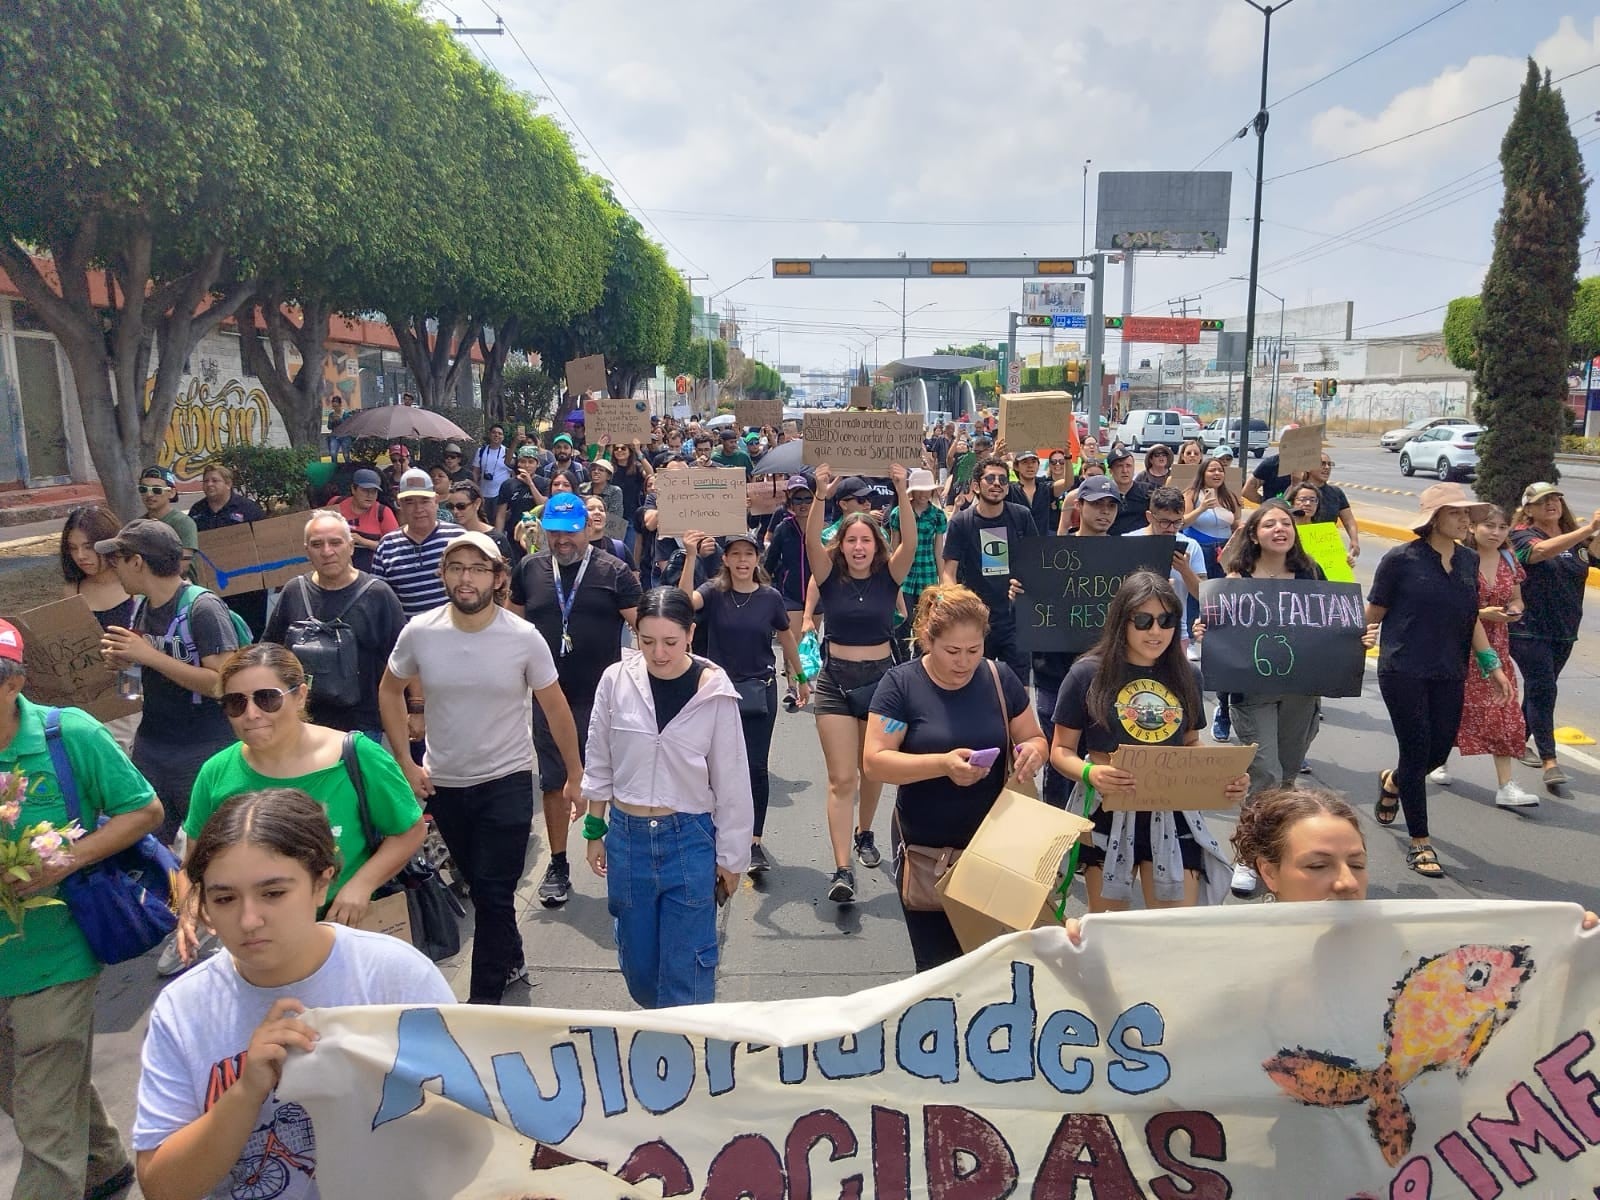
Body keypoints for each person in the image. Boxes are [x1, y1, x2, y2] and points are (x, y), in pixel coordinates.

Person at [132, 789, 453, 1200]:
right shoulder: (183, 1010)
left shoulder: (395, 976)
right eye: (224, 898)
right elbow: (162, 1186)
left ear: (322, 883)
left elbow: (472, 1120)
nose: (249, 920)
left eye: (273, 893)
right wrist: (246, 1092)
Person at [382, 531, 583, 1003]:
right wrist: (405, 762)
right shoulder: (420, 631)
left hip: (507, 781)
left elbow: (555, 706)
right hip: (446, 783)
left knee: (493, 893)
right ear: (443, 575)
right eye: (456, 568)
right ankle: (510, 957)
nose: (465, 578)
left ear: (498, 578)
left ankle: (482, 1003)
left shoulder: (523, 637)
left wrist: (575, 774)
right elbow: (389, 690)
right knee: (481, 887)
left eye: (477, 569)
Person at [0, 619, 163, 1200]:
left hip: (58, 951)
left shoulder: (68, 735)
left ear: (14, 682)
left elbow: (144, 812)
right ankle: (103, 1162)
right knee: (22, 1086)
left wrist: (66, 860)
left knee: (43, 1118)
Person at [176, 645, 425, 965]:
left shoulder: (356, 756)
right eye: (235, 703)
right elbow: (194, 864)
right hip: (256, 943)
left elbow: (409, 830)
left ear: (300, 696)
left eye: (267, 699)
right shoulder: (216, 773)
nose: (251, 714)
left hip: (345, 932)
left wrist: (362, 885)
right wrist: (190, 905)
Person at [581, 587, 753, 1008]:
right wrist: (594, 828)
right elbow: (599, 756)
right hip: (627, 838)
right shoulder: (615, 681)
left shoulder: (715, 693)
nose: (659, 653)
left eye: (671, 642)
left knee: (687, 974)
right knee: (641, 972)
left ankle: (685, 1044)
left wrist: (732, 859)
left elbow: (732, 780)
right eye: (647, 641)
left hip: (688, 838)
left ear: (690, 634)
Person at [862, 584, 1048, 972]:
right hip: (927, 852)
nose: (963, 662)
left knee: (994, 966)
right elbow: (875, 762)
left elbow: (1034, 737)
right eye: (952, 651)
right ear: (927, 640)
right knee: (938, 969)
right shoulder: (901, 685)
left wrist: (1032, 752)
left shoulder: (999, 677)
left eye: (974, 650)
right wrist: (942, 765)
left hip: (996, 848)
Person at [1049, 572, 1243, 911]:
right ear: (1121, 621)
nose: (1156, 631)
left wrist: (1221, 774)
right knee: (1110, 928)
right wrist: (1090, 773)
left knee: (1173, 928)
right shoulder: (1086, 674)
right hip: (1108, 811)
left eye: (1166, 621)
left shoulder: (1188, 675)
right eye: (1143, 621)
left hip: (1173, 813)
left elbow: (1190, 743)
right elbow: (1061, 750)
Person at [1367, 483, 1513, 878]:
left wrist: (1493, 666)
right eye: (1456, 513)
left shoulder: (1467, 560)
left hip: (1450, 669)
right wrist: (1355, 640)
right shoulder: (1400, 559)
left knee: (1439, 749)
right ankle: (1420, 842)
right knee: (1416, 751)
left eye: (1467, 514)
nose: (1465, 520)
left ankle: (1393, 781)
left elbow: (1471, 618)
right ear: (1434, 519)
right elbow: (1374, 613)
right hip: (1403, 668)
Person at [510, 492, 640, 908]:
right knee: (554, 782)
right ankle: (558, 864)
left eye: (570, 531)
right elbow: (510, 626)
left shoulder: (614, 571)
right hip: (549, 698)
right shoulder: (529, 569)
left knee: (616, 781)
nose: (562, 540)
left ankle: (624, 859)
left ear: (586, 528)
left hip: (604, 699)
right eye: (554, 532)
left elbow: (645, 627)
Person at [808, 462, 916, 903]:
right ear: (841, 545)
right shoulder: (828, 578)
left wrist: (902, 491)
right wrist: (820, 493)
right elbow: (811, 540)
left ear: (877, 545)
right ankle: (842, 870)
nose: (857, 547)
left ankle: (864, 832)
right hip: (834, 682)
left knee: (872, 769)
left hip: (882, 684)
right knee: (841, 779)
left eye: (865, 540)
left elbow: (910, 541)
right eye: (851, 540)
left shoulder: (890, 577)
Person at [97, 519, 243, 845]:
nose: (113, 569)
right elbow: (138, 679)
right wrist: (126, 663)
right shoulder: (141, 607)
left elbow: (224, 683)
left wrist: (149, 656)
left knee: (212, 847)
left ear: (137, 562)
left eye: (117, 559)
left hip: (202, 750)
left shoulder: (203, 607)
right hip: (152, 745)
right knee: (145, 847)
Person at [675, 530, 806, 874]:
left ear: (757, 559)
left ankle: (754, 842)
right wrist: (691, 556)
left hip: (759, 690)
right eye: (736, 554)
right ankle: (715, 832)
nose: (743, 560)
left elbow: (786, 637)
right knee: (712, 767)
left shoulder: (770, 597)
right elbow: (682, 604)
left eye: (749, 554)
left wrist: (800, 677)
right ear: (726, 559)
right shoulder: (713, 592)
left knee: (755, 767)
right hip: (718, 692)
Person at [261, 510, 405, 739]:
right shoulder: (294, 591)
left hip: (361, 726)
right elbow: (270, 653)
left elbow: (406, 658)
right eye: (317, 544)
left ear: (351, 547)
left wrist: (416, 708)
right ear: (307, 550)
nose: (327, 552)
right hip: (304, 724)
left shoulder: (377, 594)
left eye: (335, 543)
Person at [1430, 506, 1538, 808]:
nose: (1496, 533)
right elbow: (1445, 605)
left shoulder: (1508, 559)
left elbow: (1517, 598)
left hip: (1497, 648)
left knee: (1503, 711)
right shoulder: (1459, 559)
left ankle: (1506, 785)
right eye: (1489, 526)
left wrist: (1514, 610)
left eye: (1503, 527)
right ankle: (1437, 759)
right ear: (1473, 527)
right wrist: (1480, 613)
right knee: (1451, 707)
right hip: (1457, 646)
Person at [1509, 481, 1600, 794]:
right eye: (1543, 501)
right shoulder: (1521, 535)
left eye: (1555, 499)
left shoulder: (1577, 539)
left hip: (1564, 629)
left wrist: (1596, 533)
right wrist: (1588, 528)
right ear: (1529, 509)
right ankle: (1550, 760)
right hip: (1528, 628)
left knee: (1540, 689)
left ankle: (1515, 741)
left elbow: (1594, 555)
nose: (1551, 504)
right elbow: (1540, 552)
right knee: (1544, 687)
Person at [940, 454, 1037, 682]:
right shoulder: (961, 523)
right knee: (976, 686)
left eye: (1003, 480)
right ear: (976, 486)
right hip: (976, 621)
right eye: (990, 479)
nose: (997, 484)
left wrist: (1027, 582)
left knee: (1018, 689)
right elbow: (948, 573)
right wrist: (957, 600)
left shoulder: (1021, 516)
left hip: (1015, 621)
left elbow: (1038, 561)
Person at [370, 468, 464, 620]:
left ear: (436, 501)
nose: (418, 509)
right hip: (409, 632)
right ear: (400, 504)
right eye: (410, 502)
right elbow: (379, 602)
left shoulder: (459, 538)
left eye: (424, 501)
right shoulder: (387, 546)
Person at [763, 475, 814, 707]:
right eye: (798, 499)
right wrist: (762, 586)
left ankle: (805, 675)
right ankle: (793, 686)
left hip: (816, 594)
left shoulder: (821, 528)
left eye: (807, 498)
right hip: (789, 592)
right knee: (791, 638)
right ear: (790, 503)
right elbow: (771, 560)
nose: (803, 504)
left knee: (808, 639)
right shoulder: (783, 528)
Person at [887, 468, 947, 660]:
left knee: (926, 622)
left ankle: (922, 662)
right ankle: (902, 662)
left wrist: (942, 581)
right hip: (905, 574)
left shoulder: (938, 515)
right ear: (912, 491)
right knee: (903, 622)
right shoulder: (898, 513)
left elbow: (938, 550)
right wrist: (891, 576)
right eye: (919, 490)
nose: (923, 494)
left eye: (927, 490)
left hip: (927, 573)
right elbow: (894, 546)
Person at [60, 505, 132, 630]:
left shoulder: (137, 586)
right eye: (73, 548)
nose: (80, 556)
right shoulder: (71, 592)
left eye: (89, 547)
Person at [334, 467, 399, 572]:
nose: (370, 495)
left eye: (374, 491)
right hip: (337, 571)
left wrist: (362, 541)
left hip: (372, 573)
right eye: (365, 490)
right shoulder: (336, 504)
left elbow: (395, 547)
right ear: (353, 489)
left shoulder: (383, 512)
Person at [136, 465, 198, 575]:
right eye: (143, 489)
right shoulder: (138, 525)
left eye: (157, 490)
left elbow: (183, 565)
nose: (149, 495)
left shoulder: (183, 523)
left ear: (172, 492)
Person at [1302, 450, 1360, 563]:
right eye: (1322, 464)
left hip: (1327, 548)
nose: (1327, 468)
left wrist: (1354, 540)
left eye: (1329, 464)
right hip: (1303, 547)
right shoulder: (1298, 491)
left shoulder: (1336, 493)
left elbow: (1349, 520)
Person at [445, 480, 515, 564]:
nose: (455, 511)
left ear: (477, 503)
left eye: (461, 506)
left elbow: (508, 570)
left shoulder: (496, 539)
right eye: (450, 506)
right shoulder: (448, 536)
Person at [1103, 448, 1149, 535]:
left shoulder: (1148, 492)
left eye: (1128, 466)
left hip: (1141, 540)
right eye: (1119, 466)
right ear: (1111, 471)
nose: (1125, 470)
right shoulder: (1103, 494)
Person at [584, 495, 628, 561]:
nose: (597, 512)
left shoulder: (619, 548)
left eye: (601, 510)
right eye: (590, 509)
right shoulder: (573, 547)